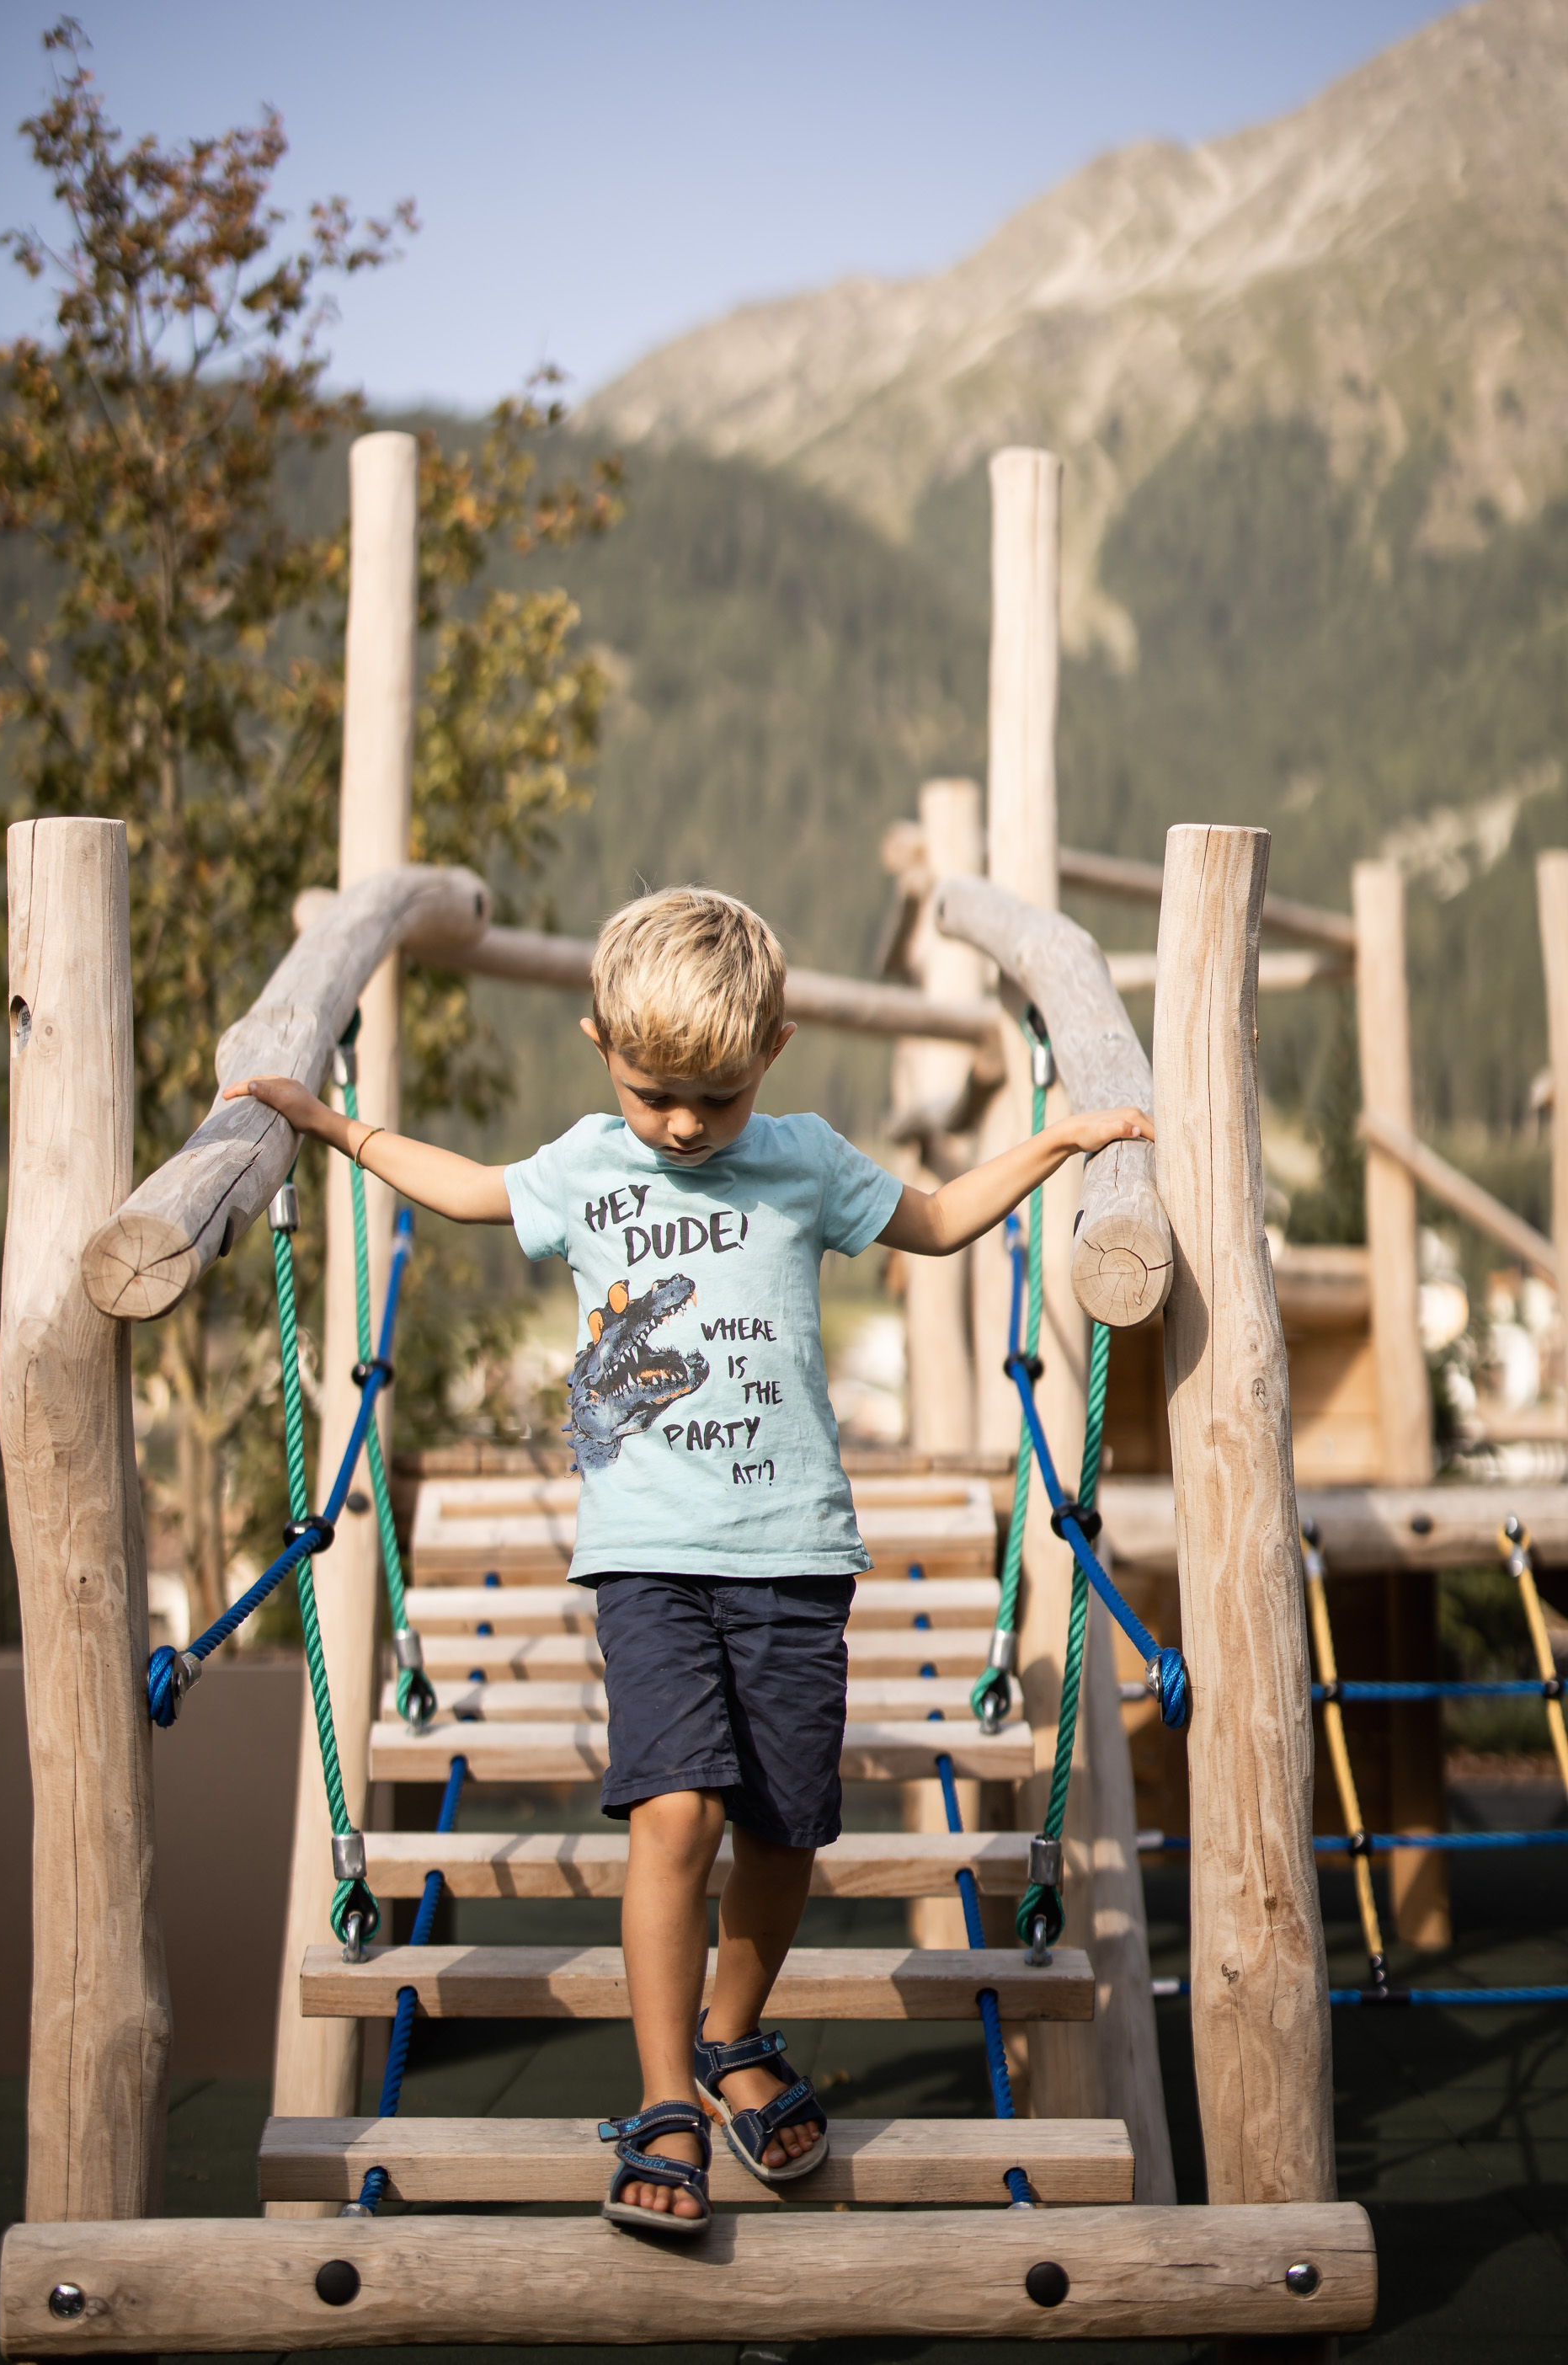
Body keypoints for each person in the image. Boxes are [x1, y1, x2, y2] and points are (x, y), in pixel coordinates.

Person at [226, 884, 1153, 2239]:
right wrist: (339, 1131)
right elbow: (478, 1193)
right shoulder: (593, 1164)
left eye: (713, 1101)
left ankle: (731, 2035)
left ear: (771, 1049)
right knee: (679, 1814)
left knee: (787, 1825)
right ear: (604, 1044)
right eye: (658, 1092)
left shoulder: (806, 1160)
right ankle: (664, 2094)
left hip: (796, 1558)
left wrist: (1062, 1140)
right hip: (650, 1563)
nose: (683, 1125)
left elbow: (942, 1218)